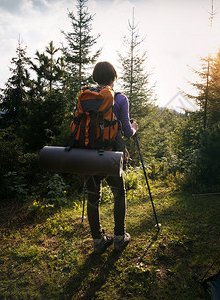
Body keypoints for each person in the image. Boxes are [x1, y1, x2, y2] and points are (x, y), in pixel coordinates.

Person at [85, 61, 138, 254]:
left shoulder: (86, 97)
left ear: (95, 77)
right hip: (110, 155)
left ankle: (98, 241)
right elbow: (126, 131)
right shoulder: (120, 99)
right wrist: (134, 128)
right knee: (119, 193)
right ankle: (119, 237)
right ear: (113, 77)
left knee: (93, 196)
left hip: (87, 155)